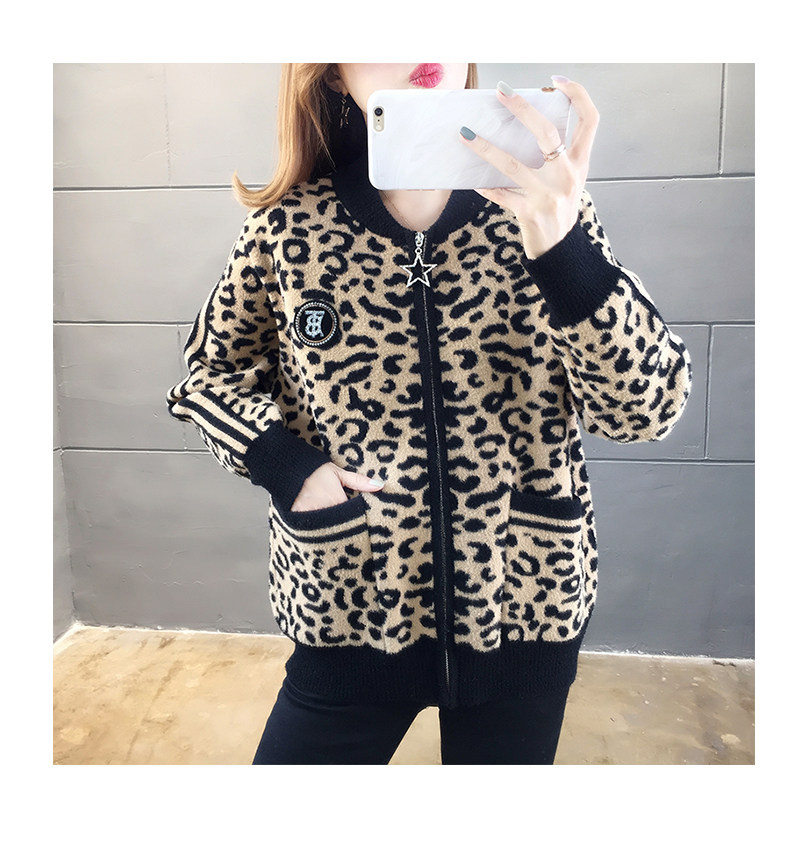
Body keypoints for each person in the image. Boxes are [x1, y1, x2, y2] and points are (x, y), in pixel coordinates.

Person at [165, 63, 692, 765]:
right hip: (349, 605)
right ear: (331, 74)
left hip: (524, 609)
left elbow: (645, 409)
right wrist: (289, 467)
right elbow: (208, 374)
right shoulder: (288, 227)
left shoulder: (543, 209)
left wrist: (561, 245)